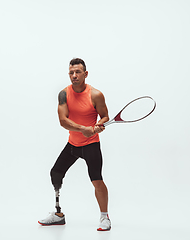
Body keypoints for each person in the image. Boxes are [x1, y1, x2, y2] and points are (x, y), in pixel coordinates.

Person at [38, 58, 111, 231]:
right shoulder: (63, 94)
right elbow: (63, 121)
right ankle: (58, 214)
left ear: (85, 74)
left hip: (91, 145)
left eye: (78, 72)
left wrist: (98, 126)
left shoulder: (96, 95)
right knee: (55, 173)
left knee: (97, 180)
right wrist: (83, 128)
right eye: (71, 72)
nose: (74, 75)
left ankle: (104, 217)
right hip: (72, 144)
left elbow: (105, 116)